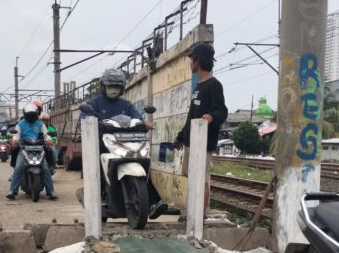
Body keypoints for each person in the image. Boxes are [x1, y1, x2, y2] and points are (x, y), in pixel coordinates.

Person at [80, 68, 168, 219]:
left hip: (125, 142)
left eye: (116, 87)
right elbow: (83, 118)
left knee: (141, 160)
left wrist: (144, 124)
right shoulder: (94, 103)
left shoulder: (126, 105)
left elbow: (136, 117)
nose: (113, 90)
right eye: (110, 86)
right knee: (97, 161)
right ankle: (99, 195)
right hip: (103, 142)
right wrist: (90, 122)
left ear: (121, 88)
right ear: (103, 87)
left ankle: (152, 202)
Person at [174, 42, 228, 219]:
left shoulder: (214, 85)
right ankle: (191, 212)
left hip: (204, 143)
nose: (190, 63)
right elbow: (192, 115)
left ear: (197, 60)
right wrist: (181, 136)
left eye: (191, 59)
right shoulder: (198, 86)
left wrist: (211, 117)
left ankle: (200, 215)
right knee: (191, 177)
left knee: (202, 179)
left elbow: (222, 110)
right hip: (191, 141)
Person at [7, 103, 57, 200]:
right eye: (29, 115)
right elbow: (16, 136)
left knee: (46, 169)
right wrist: (15, 141)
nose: (31, 117)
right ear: (25, 115)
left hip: (39, 149)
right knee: (18, 168)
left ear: (37, 114)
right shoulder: (20, 124)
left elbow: (46, 135)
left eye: (33, 115)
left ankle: (51, 191)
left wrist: (49, 140)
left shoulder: (40, 124)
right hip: (24, 149)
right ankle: (13, 191)